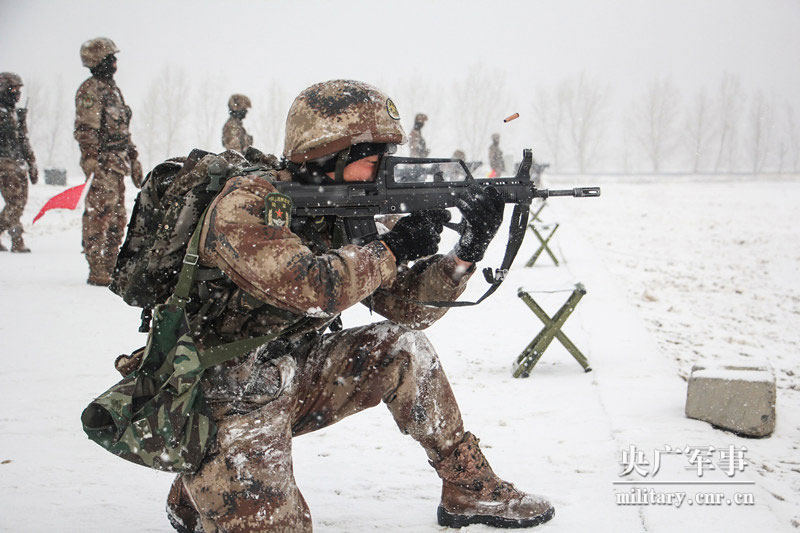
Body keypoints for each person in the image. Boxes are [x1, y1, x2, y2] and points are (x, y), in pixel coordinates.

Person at [165, 79, 554, 532]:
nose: (380, 172)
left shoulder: (347, 212)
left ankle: (466, 485)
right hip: (221, 394)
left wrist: (465, 252)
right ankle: (203, 464)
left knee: (403, 347)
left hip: (290, 372)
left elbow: (408, 309)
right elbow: (312, 287)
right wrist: (391, 247)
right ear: (326, 155)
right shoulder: (247, 205)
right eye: (372, 161)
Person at [74, 37, 143, 285]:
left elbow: (123, 131)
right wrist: (92, 161)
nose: (115, 63)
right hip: (102, 164)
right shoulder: (90, 90)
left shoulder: (113, 90)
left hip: (118, 164)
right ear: (98, 61)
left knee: (117, 218)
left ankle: (112, 264)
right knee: (99, 216)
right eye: (110, 59)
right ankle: (96, 267)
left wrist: (134, 159)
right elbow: (86, 130)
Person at [0, 72, 37, 253]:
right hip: (4, 163)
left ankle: (14, 237)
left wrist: (32, 164)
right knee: (14, 202)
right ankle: (17, 238)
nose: (16, 93)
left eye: (18, 89)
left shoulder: (14, 114)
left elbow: (24, 141)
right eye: (13, 89)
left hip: (18, 163)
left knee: (20, 202)